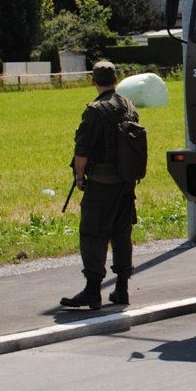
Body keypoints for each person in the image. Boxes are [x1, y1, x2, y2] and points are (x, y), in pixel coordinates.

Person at [60, 61, 139, 310]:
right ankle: (122, 288)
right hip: (126, 183)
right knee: (121, 233)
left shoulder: (95, 110)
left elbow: (82, 151)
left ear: (93, 81)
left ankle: (93, 291)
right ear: (116, 79)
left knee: (93, 234)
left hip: (102, 183)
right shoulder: (129, 106)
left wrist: (79, 177)